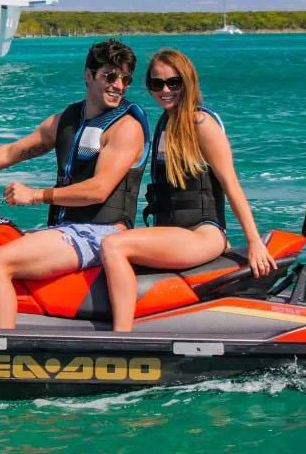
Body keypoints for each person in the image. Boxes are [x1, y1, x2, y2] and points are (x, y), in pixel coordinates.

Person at [0, 39, 149, 330]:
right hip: (66, 230)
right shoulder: (66, 120)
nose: (119, 85)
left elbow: (98, 190)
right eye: (110, 76)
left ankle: (1, 354)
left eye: (125, 79)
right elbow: (11, 152)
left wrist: (35, 195)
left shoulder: (126, 128)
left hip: (101, 232)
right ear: (89, 75)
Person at [99, 48, 276, 332]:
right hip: (176, 234)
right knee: (109, 237)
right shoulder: (164, 123)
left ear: (188, 81)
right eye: (157, 84)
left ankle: (122, 336)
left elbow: (231, 184)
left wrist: (254, 242)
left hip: (202, 233)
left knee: (114, 245)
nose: (165, 90)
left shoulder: (201, 123)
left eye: (174, 82)